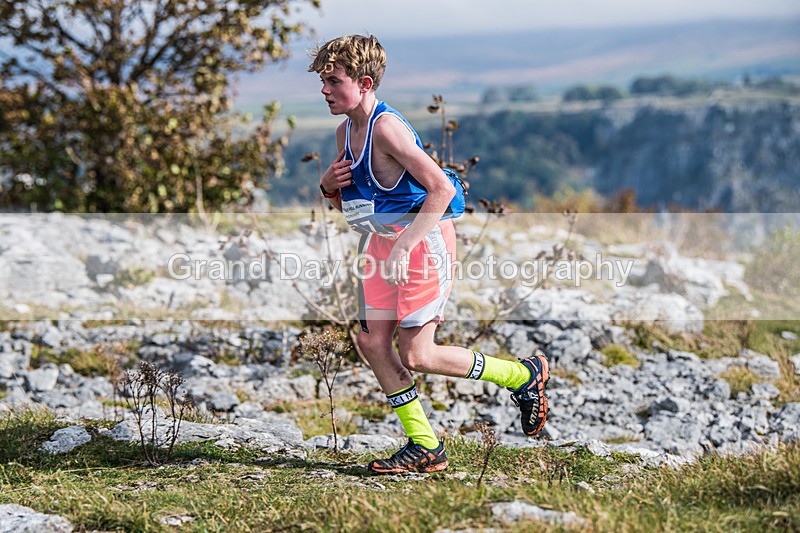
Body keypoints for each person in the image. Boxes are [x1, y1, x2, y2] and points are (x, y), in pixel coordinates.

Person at [308, 34, 549, 474]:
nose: (324, 89)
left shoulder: (387, 128)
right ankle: (425, 446)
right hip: (380, 246)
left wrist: (405, 244)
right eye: (322, 80)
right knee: (371, 342)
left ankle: (521, 376)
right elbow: (350, 201)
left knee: (418, 354)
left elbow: (442, 189)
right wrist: (328, 184)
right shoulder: (345, 130)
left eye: (332, 80)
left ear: (363, 83)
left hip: (421, 243)